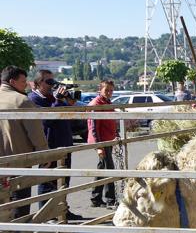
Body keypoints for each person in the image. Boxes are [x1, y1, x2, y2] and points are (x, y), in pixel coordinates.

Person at [28, 69, 82, 220]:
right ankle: (46, 214)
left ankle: (62, 210)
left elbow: (70, 115)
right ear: (38, 84)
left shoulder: (53, 97)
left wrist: (68, 100)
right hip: (49, 145)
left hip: (64, 144)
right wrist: (58, 100)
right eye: (48, 82)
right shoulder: (33, 99)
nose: (51, 85)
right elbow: (46, 120)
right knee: (47, 182)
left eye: (53, 81)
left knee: (63, 180)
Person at [0, 65, 49, 219]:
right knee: (19, 200)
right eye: (23, 81)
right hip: (18, 159)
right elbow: (36, 133)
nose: (26, 84)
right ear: (12, 81)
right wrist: (44, 155)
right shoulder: (22, 101)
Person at [87, 79, 118, 209]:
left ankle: (96, 197)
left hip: (107, 140)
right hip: (101, 142)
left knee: (102, 168)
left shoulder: (107, 102)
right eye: (107, 90)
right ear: (100, 89)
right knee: (109, 169)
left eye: (111, 90)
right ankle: (111, 199)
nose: (109, 92)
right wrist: (99, 147)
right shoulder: (96, 104)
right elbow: (93, 128)